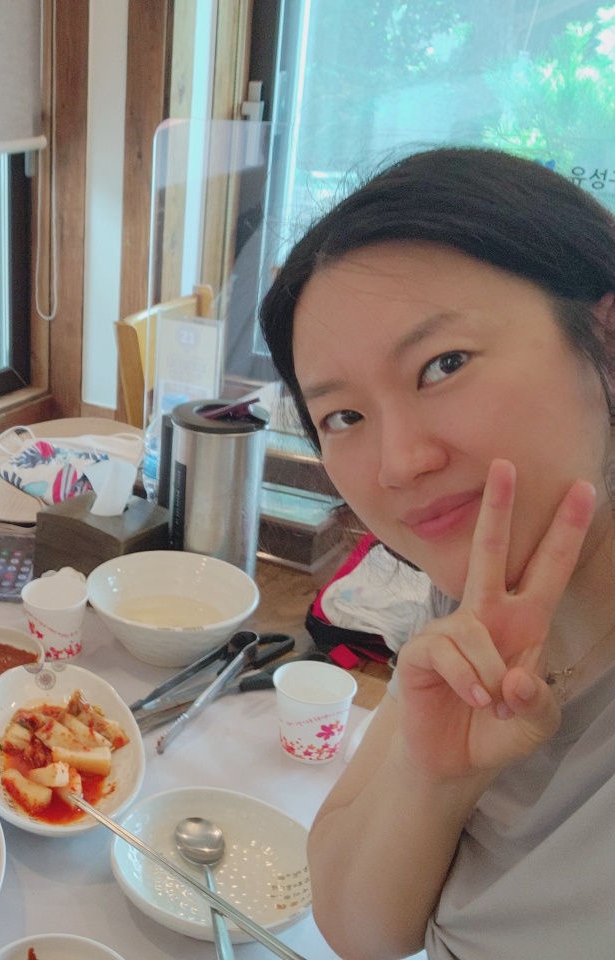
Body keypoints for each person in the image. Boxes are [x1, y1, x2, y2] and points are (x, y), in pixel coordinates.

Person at [259, 146, 615, 959]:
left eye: (442, 366)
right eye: (344, 417)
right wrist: (437, 778)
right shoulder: (476, 589)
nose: (399, 464)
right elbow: (357, 927)